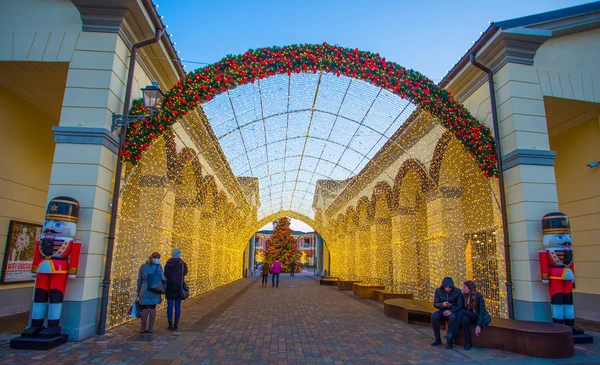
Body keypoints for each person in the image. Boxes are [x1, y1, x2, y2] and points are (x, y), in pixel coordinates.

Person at [446, 281, 491, 350]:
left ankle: (452, 333)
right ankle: (467, 342)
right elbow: (460, 305)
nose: (463, 289)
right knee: (464, 319)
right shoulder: (464, 296)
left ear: (469, 288)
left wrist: (478, 325)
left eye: (464, 287)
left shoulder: (479, 296)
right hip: (468, 315)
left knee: (462, 312)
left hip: (477, 316)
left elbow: (482, 312)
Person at [137, 252, 166, 334]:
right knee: (152, 308)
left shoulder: (143, 267)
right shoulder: (158, 267)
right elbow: (163, 278)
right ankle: (150, 328)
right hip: (154, 288)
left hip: (145, 288)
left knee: (144, 308)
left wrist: (138, 291)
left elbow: (139, 280)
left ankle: (142, 328)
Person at [431, 277, 463, 349]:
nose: (448, 289)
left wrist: (451, 311)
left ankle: (449, 340)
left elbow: (460, 305)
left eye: (449, 288)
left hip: (453, 311)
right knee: (434, 317)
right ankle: (437, 338)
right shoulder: (438, 291)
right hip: (442, 310)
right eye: (446, 287)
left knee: (452, 318)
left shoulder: (457, 292)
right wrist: (442, 305)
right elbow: (435, 303)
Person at [164, 248, 188, 331]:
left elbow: (165, 274)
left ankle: (170, 324)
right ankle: (176, 324)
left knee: (170, 306)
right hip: (179, 287)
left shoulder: (168, 263)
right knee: (177, 306)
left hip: (169, 287)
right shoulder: (182, 264)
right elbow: (185, 273)